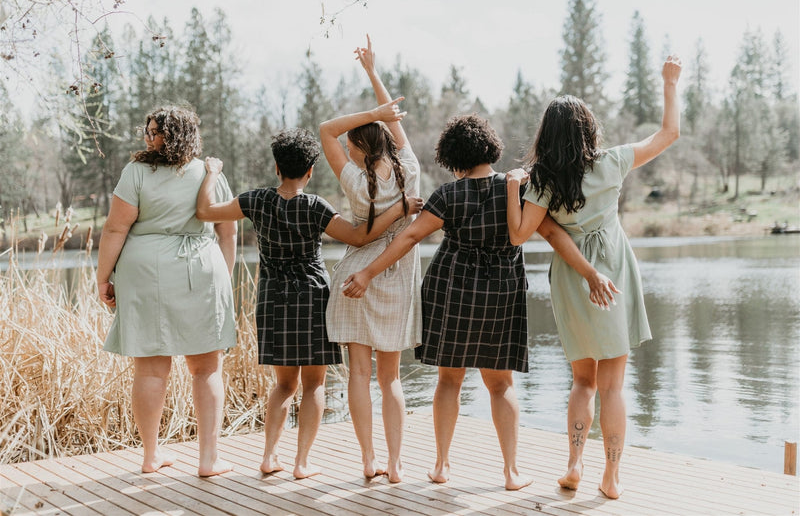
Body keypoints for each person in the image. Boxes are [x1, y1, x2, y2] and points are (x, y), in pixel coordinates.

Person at [342, 113, 611, 490]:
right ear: (491, 148)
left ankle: (440, 465)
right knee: (501, 385)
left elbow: (408, 238)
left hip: (452, 288)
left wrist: (368, 273)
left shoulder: (448, 195)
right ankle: (512, 472)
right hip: (500, 291)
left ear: (452, 156)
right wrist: (589, 272)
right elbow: (549, 230)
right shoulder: (516, 187)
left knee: (449, 380)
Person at [195, 128, 421, 479]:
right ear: (311, 171)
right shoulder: (316, 207)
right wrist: (399, 211)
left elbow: (206, 211)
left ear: (276, 167)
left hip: (273, 298)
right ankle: (301, 463)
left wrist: (211, 174)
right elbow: (361, 236)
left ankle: (270, 456)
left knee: (284, 385)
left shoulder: (255, 200)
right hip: (312, 297)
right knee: (315, 385)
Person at [506, 55, 682, 499]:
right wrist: (669, 82)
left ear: (547, 134)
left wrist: (514, 188)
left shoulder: (543, 181)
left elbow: (521, 234)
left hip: (571, 277)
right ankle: (612, 474)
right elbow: (669, 134)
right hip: (615, 271)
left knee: (582, 381)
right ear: (588, 129)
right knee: (612, 385)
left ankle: (574, 462)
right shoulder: (612, 162)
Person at [97, 105, 236, 477]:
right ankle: (204, 459)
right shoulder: (209, 172)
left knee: (153, 367)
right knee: (204, 368)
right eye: (148, 131)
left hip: (147, 270)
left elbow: (115, 230)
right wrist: (225, 275)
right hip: (200, 268)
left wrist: (103, 277)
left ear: (176, 135)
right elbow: (227, 231)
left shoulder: (136, 173)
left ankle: (153, 456)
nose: (149, 138)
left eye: (156, 132)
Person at [319, 36, 421, 483]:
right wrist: (373, 76)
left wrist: (373, 109)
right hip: (396, 277)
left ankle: (368, 462)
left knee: (358, 375)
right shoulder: (410, 169)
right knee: (391, 378)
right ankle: (396, 466)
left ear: (357, 147)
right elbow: (393, 123)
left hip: (355, 276)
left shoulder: (354, 181)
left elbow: (326, 129)